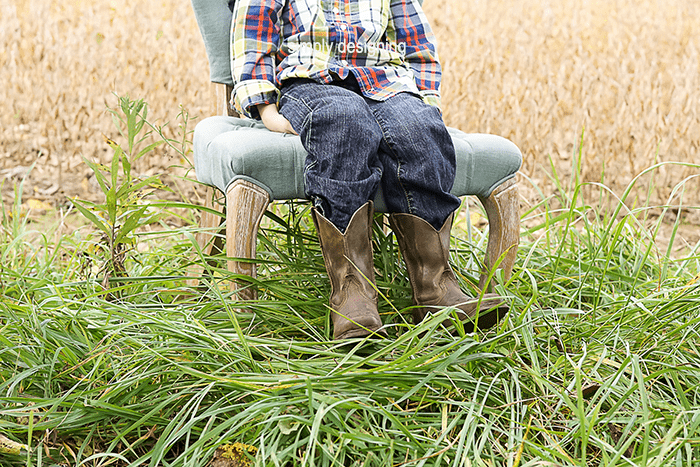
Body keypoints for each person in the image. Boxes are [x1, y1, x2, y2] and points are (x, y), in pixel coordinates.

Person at [231, 0, 507, 339]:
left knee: (418, 132)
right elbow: (253, 37)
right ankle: (352, 293)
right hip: (310, 82)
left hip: (386, 81)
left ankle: (436, 288)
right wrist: (265, 108)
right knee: (345, 124)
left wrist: (424, 102)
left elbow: (416, 42)